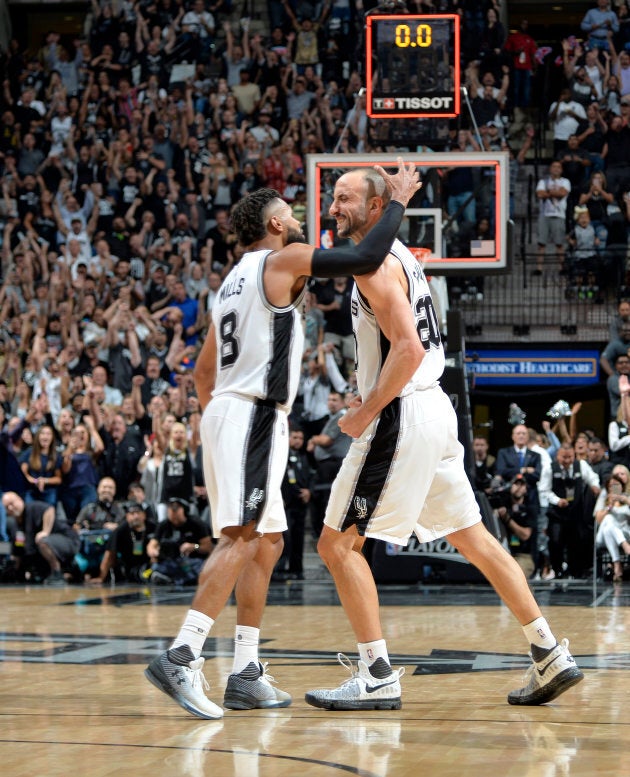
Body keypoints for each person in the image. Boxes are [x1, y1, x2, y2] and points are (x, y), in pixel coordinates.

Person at [143, 159, 422, 719]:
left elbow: (201, 373)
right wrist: (397, 202)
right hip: (253, 416)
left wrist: (219, 423)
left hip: (229, 412)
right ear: (272, 225)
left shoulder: (229, 284)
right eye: (288, 216)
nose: (297, 222)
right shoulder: (282, 258)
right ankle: (182, 653)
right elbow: (365, 257)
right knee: (244, 537)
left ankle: (245, 670)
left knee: (268, 539)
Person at [302, 166, 583, 713]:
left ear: (376, 206)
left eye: (345, 198)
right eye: (333, 197)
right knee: (473, 538)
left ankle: (377, 672)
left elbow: (406, 349)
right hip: (434, 408)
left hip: (403, 415)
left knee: (337, 545)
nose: (333, 208)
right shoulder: (405, 254)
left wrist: (367, 411)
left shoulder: (374, 266)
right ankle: (548, 652)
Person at [146, 497, 212, 586]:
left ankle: (174, 580)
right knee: (156, 567)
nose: (173, 512)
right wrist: (154, 552)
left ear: (183, 510)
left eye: (176, 509)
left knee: (197, 569)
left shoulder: (196, 523)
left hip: (192, 560)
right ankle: (175, 579)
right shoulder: (163, 525)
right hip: (171, 560)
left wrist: (194, 546)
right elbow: (151, 545)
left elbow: (208, 547)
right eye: (170, 508)